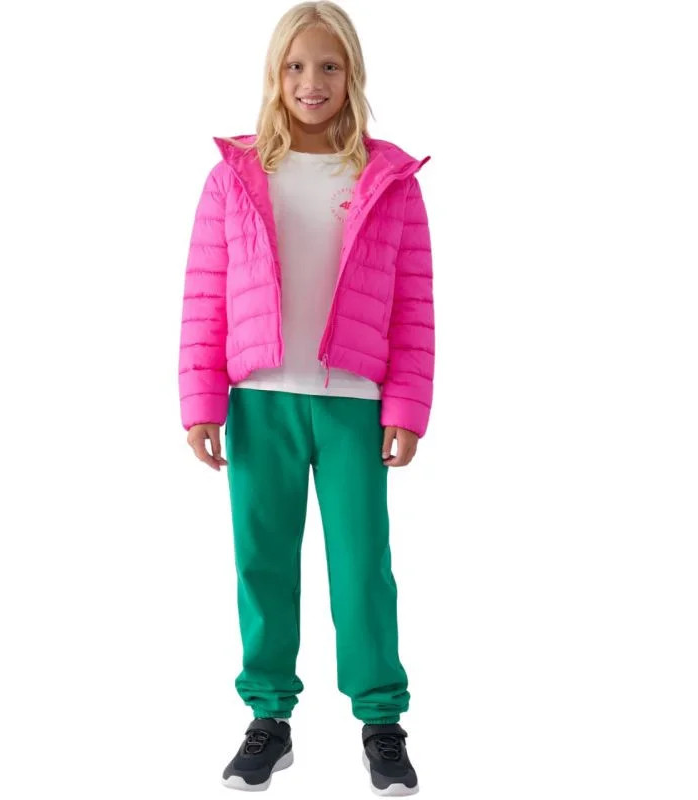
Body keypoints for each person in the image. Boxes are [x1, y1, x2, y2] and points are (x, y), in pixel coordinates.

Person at [178, 2, 434, 794]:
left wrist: (406, 408)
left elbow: (414, 304)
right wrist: (201, 402)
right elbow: (205, 296)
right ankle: (269, 718)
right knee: (262, 565)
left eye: (328, 66)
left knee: (362, 570)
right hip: (259, 402)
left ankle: (381, 722)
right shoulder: (235, 176)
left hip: (355, 404)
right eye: (294, 66)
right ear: (274, 76)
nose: (310, 81)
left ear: (351, 74)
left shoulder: (388, 180)